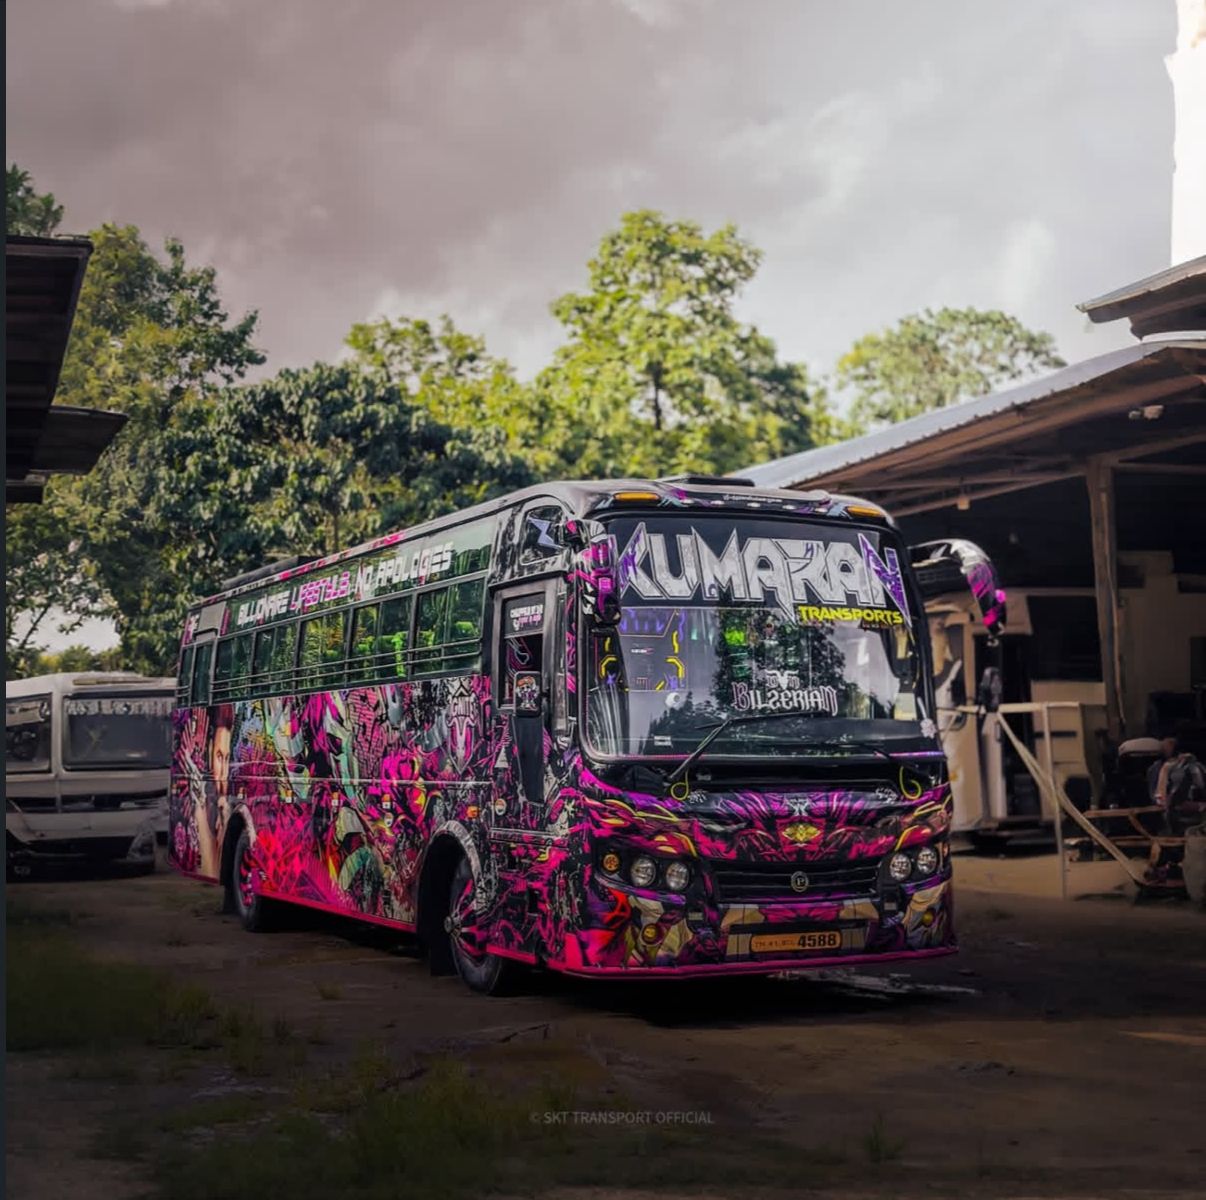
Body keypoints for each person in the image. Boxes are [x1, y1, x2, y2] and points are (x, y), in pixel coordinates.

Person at [1148, 734, 1206, 836]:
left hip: (1188, 813)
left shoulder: (1192, 766)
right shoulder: (1156, 768)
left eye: (1170, 744)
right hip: (1170, 813)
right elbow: (1160, 799)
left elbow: (1199, 787)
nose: (1166, 748)